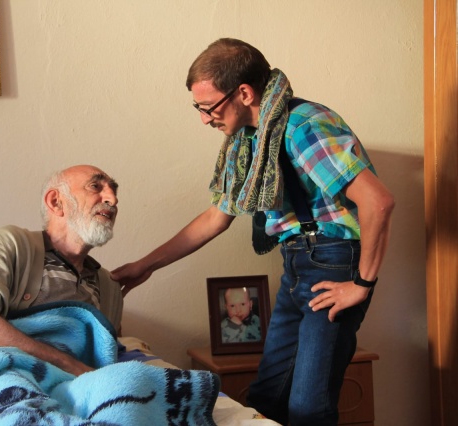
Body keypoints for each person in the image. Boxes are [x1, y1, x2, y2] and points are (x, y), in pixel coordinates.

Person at [111, 38, 395, 425]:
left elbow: (378, 202)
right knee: (266, 398)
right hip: (298, 263)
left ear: (244, 93)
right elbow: (217, 216)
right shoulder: (250, 140)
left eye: (208, 107)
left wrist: (361, 284)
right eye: (198, 108)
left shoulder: (303, 127)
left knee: (309, 408)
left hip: (332, 262)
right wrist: (144, 266)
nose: (204, 119)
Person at [0, 165, 123, 377]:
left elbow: (107, 355)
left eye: (114, 190)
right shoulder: (15, 244)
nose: (112, 199)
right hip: (21, 375)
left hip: (83, 387)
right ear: (56, 202)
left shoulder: (110, 286)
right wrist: (70, 366)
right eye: (95, 186)